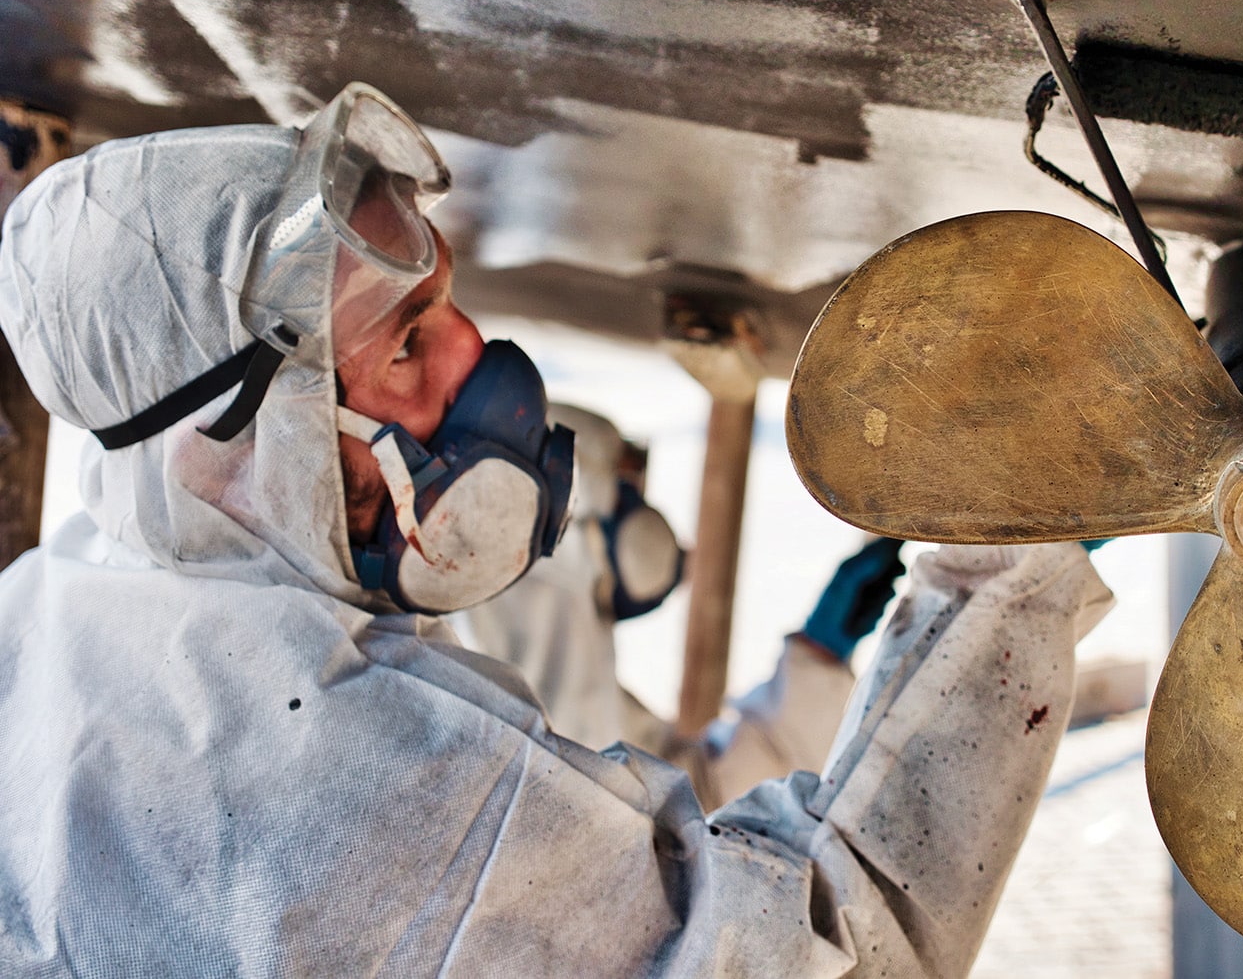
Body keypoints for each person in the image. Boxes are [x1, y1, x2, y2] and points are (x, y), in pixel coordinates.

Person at [0, 81, 1115, 976]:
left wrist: (822, 660)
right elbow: (837, 954)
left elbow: (647, 843)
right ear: (237, 438)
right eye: (404, 342)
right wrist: (1003, 570)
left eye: (446, 304)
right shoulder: (353, 791)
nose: (475, 356)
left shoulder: (52, 618)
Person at [448, 401, 907, 806]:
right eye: (628, 485)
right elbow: (719, 817)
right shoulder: (541, 709)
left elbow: (702, 797)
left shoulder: (521, 659)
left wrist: (815, 659)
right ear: (579, 506)